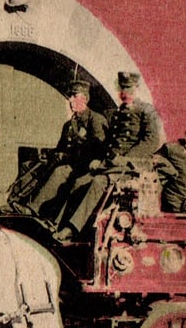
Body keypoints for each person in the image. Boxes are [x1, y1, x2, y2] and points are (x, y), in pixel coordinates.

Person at [53, 72, 163, 241]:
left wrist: (127, 159)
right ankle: (61, 224)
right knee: (79, 182)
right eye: (123, 89)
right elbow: (111, 143)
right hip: (112, 164)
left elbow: (152, 141)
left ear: (136, 89)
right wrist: (100, 160)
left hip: (133, 167)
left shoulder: (146, 111)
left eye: (129, 89)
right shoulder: (119, 113)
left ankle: (72, 229)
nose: (125, 93)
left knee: (98, 182)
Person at [9, 78, 107, 222]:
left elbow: (100, 149)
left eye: (75, 96)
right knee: (30, 165)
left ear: (85, 99)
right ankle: (15, 201)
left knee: (60, 172)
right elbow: (61, 147)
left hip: (84, 167)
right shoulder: (69, 124)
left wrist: (67, 157)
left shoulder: (95, 120)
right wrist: (51, 154)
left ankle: (32, 210)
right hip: (68, 162)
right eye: (70, 97)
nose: (71, 101)